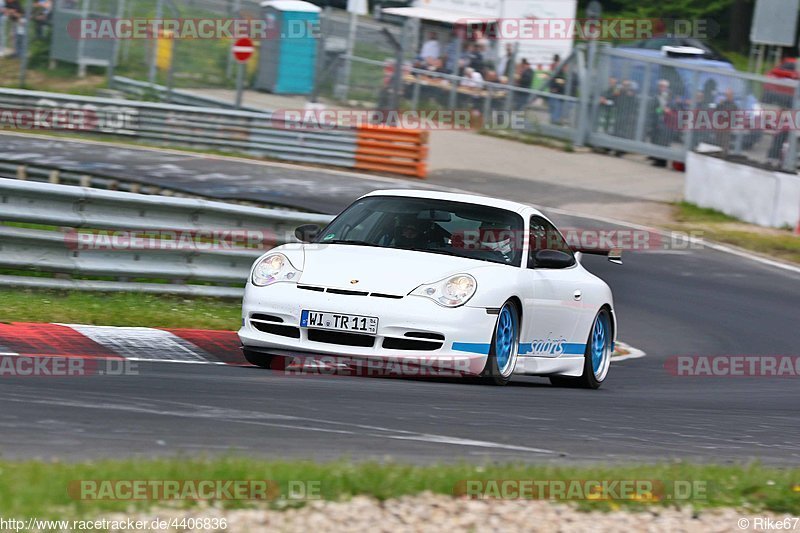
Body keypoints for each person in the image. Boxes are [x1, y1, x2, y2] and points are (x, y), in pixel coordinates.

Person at [648, 79, 673, 167]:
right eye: (660, 86)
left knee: (664, 142)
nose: (662, 88)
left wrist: (668, 111)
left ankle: (663, 161)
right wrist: (661, 110)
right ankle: (656, 158)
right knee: (656, 140)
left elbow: (673, 109)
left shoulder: (670, 98)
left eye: (664, 86)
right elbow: (654, 109)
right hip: (658, 122)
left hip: (667, 123)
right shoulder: (656, 96)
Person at [715, 88, 738, 155]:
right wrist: (720, 104)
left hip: (727, 126)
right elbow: (717, 111)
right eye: (726, 95)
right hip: (720, 125)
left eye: (729, 95)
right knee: (718, 140)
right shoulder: (723, 103)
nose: (727, 96)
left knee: (725, 141)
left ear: (732, 95)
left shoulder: (734, 105)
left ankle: (724, 153)